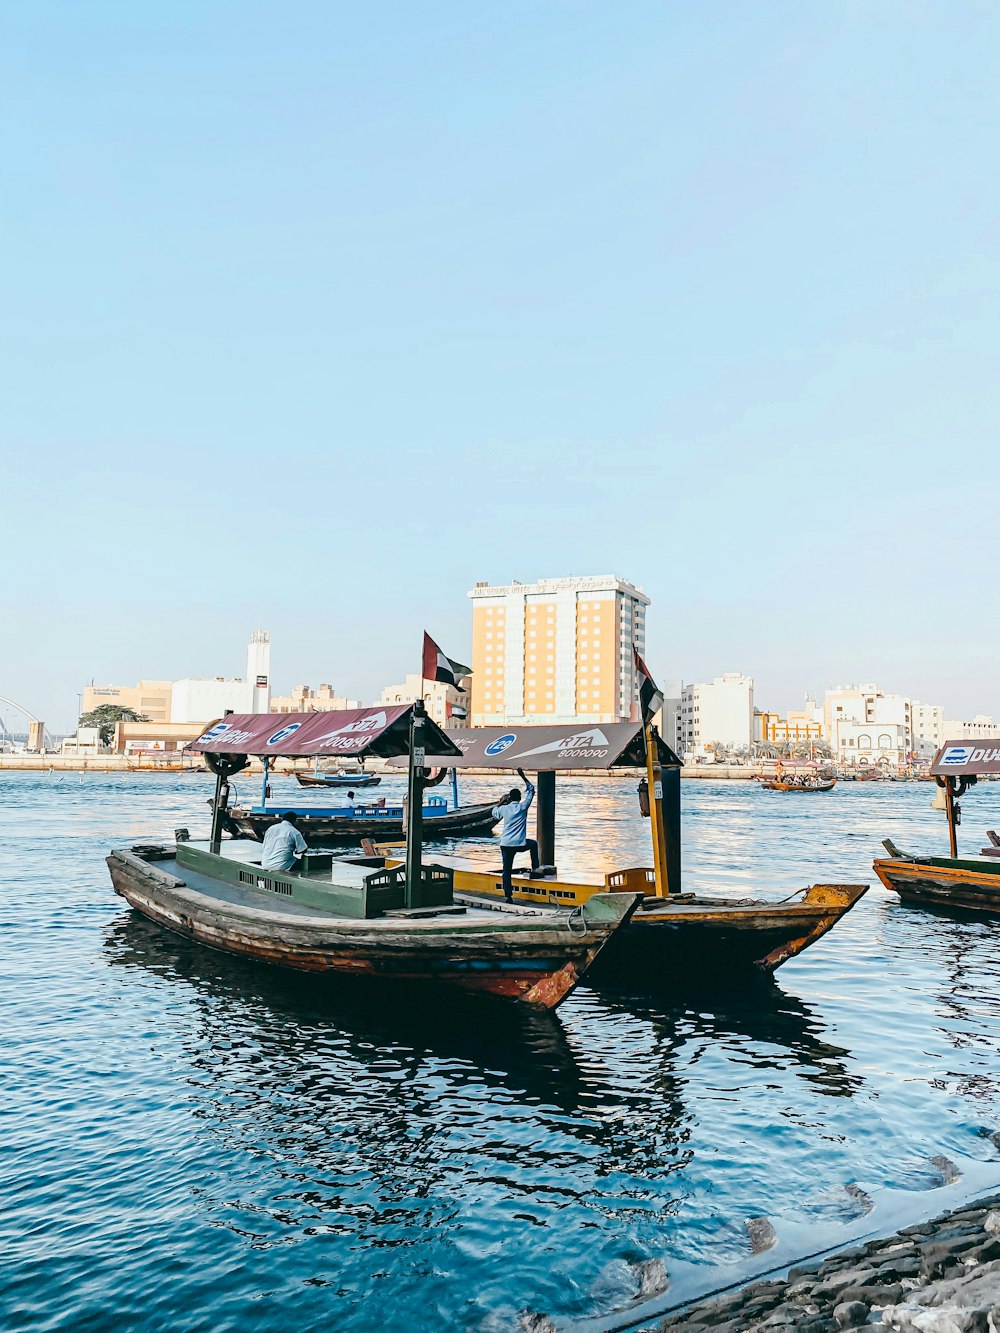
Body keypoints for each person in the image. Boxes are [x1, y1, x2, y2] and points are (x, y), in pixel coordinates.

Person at [492, 767, 539, 902]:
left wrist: (501, 801)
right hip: (519, 843)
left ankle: (508, 896)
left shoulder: (504, 809)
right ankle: (535, 869)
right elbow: (531, 790)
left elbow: (494, 813)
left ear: (509, 798)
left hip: (506, 844)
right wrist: (523, 776)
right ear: (519, 798)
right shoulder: (523, 807)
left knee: (506, 870)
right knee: (533, 844)